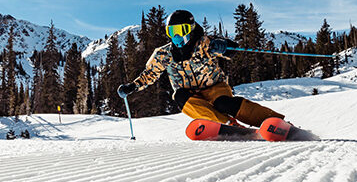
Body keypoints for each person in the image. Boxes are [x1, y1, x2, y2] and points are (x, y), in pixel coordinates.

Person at [117, 9, 285, 127]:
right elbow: (150, 74)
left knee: (224, 104)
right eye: (171, 31)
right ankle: (227, 124)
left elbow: (231, 50)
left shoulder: (204, 43)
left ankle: (272, 121)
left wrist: (224, 46)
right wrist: (132, 86)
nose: (176, 36)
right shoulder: (164, 54)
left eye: (181, 30)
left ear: (190, 29)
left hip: (215, 88)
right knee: (179, 96)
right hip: (191, 95)